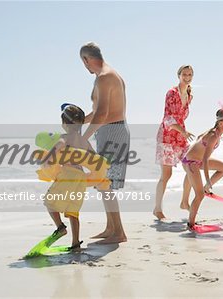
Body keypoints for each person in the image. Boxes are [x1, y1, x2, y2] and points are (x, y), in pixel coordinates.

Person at [80, 42, 129, 244]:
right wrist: (82, 121)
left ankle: (119, 232)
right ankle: (111, 228)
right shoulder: (110, 75)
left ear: (86, 59)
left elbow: (103, 114)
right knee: (103, 182)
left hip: (113, 131)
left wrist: (81, 139)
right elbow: (98, 112)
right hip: (109, 130)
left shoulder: (104, 77)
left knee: (106, 183)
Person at [43, 104, 93, 250]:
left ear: (64, 124)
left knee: (49, 201)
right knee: (73, 211)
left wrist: (47, 162)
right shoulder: (84, 141)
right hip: (80, 178)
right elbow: (95, 158)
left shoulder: (64, 138)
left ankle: (60, 227)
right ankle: (75, 242)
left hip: (67, 174)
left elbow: (57, 147)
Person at [181, 108, 223, 229]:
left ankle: (203, 190)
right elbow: (206, 160)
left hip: (197, 160)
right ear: (221, 123)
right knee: (199, 195)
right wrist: (207, 180)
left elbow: (199, 138)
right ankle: (191, 224)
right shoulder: (213, 136)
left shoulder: (216, 133)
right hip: (191, 162)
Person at [154, 65, 195, 220]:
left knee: (191, 165)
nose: (187, 77)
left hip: (180, 136)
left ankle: (184, 202)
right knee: (166, 174)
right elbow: (168, 118)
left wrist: (183, 132)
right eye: (184, 74)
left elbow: (182, 116)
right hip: (167, 136)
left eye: (190, 74)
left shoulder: (189, 94)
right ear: (179, 75)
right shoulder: (171, 93)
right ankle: (157, 209)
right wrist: (183, 131)